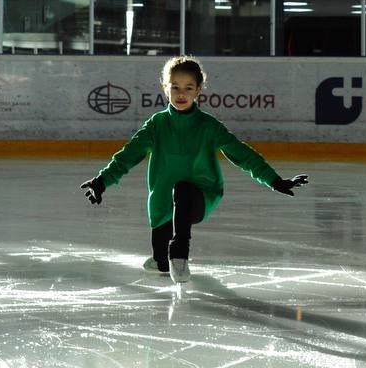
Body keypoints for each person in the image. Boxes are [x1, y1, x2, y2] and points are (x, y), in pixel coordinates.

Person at [79, 55, 309, 284]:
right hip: (162, 202)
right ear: (165, 88)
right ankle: (163, 258)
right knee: (160, 264)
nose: (181, 94)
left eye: (188, 87)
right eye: (175, 87)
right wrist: (102, 181)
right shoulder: (156, 125)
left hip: (200, 195)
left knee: (184, 189)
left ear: (198, 90)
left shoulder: (208, 126)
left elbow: (242, 154)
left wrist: (274, 180)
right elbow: (127, 157)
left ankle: (180, 254)